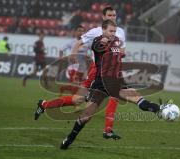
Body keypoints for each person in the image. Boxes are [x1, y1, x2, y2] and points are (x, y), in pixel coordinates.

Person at [60, 20, 163, 150]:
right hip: (101, 84)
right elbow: (98, 47)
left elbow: (120, 53)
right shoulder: (98, 42)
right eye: (110, 31)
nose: (113, 34)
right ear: (103, 30)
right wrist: (103, 42)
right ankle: (70, 139)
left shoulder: (116, 42)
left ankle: (161, 110)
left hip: (117, 81)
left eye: (114, 31)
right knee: (86, 117)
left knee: (139, 100)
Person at [35, 6, 126, 140]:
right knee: (77, 99)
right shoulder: (95, 32)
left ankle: (108, 130)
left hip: (111, 71)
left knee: (114, 96)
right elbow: (79, 42)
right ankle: (44, 105)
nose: (113, 18)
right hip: (96, 70)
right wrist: (73, 54)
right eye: (110, 15)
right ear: (103, 17)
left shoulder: (120, 32)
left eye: (114, 15)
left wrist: (117, 53)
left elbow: (123, 51)